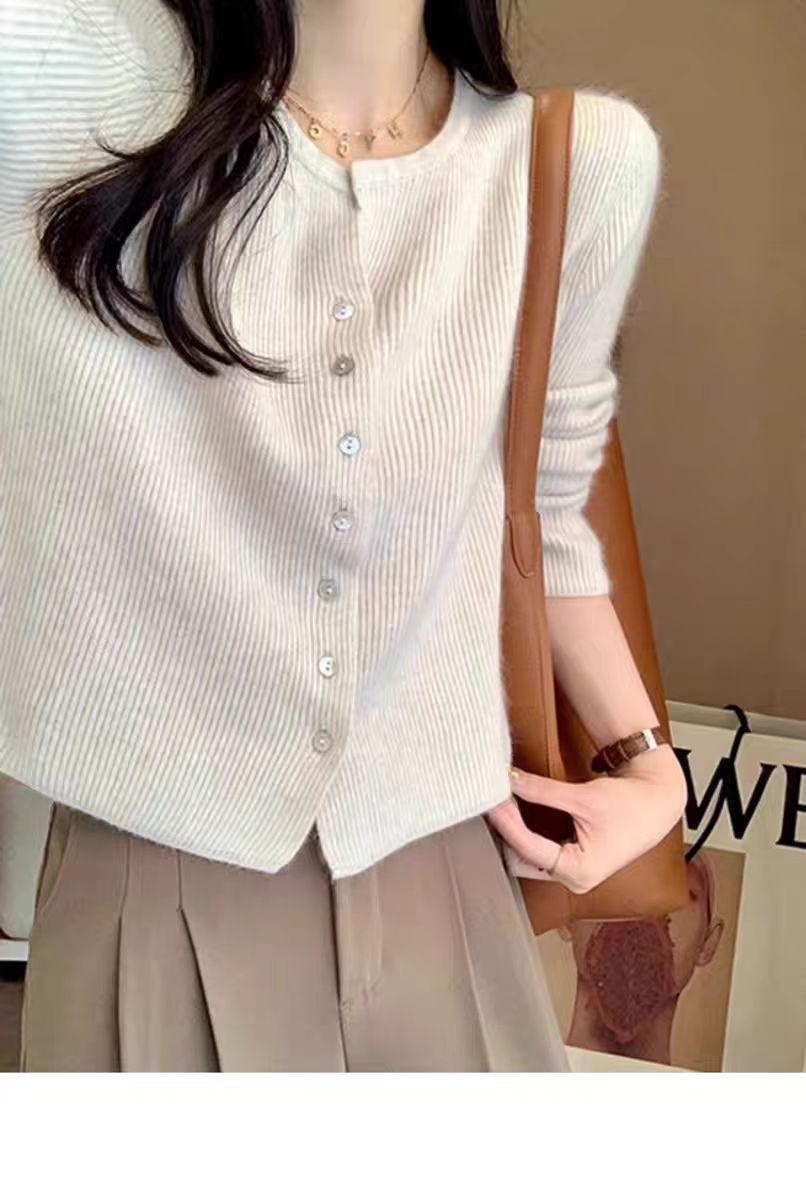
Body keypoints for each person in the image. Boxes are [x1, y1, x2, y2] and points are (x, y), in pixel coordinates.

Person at [0, 0, 687, 1071]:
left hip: (450, 866)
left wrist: (645, 761)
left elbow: (542, 511)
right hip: (149, 873)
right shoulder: (62, 77)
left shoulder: (577, 161)